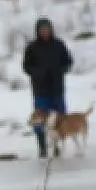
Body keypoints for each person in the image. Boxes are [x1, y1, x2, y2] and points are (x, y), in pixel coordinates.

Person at [22, 17, 74, 158]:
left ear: (51, 29)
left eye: (47, 29)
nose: (45, 32)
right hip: (40, 90)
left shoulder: (59, 45)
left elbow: (68, 62)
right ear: (37, 31)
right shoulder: (32, 47)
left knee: (60, 119)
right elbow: (26, 66)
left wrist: (61, 70)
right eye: (42, 30)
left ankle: (57, 146)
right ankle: (42, 147)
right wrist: (38, 73)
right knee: (39, 119)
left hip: (57, 88)